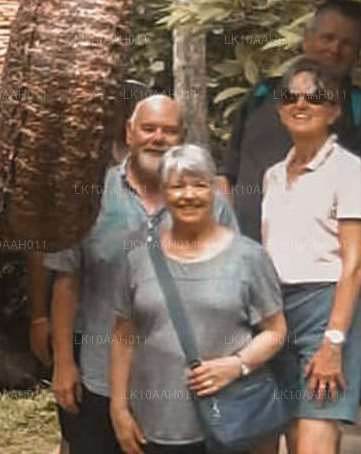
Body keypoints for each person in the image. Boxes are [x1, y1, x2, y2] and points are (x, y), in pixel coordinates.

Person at [46, 96, 238, 454]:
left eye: (169, 131)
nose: (158, 138)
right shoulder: (90, 198)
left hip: (183, 391)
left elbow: (234, 289)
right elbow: (66, 281)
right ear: (129, 133)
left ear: (182, 138)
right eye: (149, 128)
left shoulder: (210, 203)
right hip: (100, 378)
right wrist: (63, 363)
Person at [109, 144, 286, 454]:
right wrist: (119, 408)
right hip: (153, 426)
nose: (188, 195)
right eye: (177, 186)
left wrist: (236, 365)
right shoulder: (138, 257)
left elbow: (275, 331)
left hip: (230, 424)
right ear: (164, 193)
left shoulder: (249, 257)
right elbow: (123, 336)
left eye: (199, 185)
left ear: (213, 190)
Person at [218, 0, 361, 304]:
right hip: (247, 277)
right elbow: (225, 179)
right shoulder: (261, 97)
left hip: (325, 290)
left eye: (347, 43)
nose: (335, 49)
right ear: (307, 40)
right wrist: (226, 252)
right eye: (328, 38)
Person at [261, 57, 361, 454]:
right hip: (276, 313)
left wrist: (333, 342)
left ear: (333, 110)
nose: (300, 104)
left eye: (314, 97)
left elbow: (355, 265)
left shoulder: (347, 169)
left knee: (315, 437)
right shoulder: (273, 175)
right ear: (280, 108)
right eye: (291, 97)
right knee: (286, 434)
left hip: (325, 310)